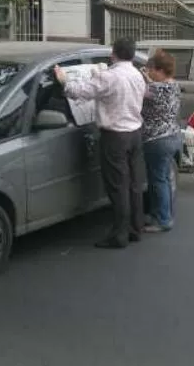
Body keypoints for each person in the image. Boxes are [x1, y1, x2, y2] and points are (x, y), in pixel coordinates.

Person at [55, 38, 148, 249]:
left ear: (113, 53)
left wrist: (63, 80)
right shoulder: (137, 74)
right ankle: (135, 228)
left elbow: (80, 91)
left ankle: (119, 235)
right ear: (132, 55)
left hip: (115, 136)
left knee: (118, 186)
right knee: (134, 184)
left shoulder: (110, 76)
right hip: (134, 133)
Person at [141, 49, 182, 233]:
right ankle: (161, 214)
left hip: (157, 139)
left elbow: (144, 91)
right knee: (164, 178)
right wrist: (147, 79)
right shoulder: (173, 85)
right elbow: (154, 87)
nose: (148, 72)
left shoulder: (154, 89)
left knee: (158, 180)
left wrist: (142, 78)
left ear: (159, 70)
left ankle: (163, 219)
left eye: (150, 70)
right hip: (172, 136)